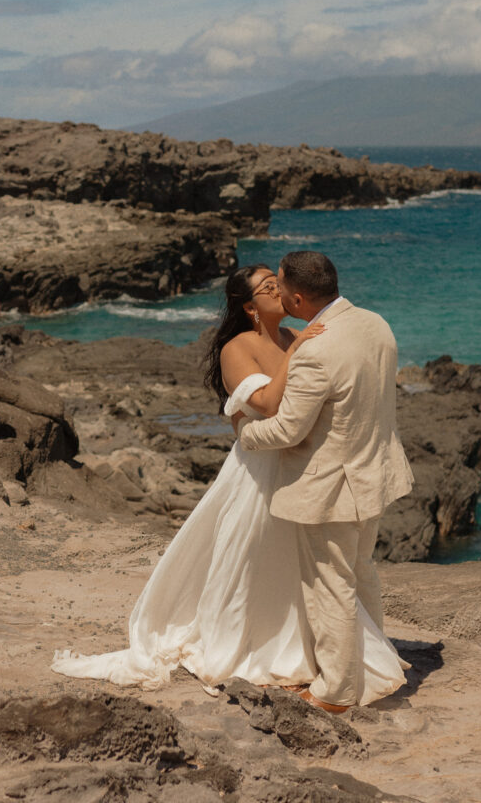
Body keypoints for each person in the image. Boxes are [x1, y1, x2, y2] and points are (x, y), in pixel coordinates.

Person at [52, 263, 408, 702]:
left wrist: (301, 350)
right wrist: (297, 357)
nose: (279, 291)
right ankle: (266, 647)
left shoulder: (297, 337)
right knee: (259, 558)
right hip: (261, 469)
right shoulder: (239, 348)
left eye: (279, 284)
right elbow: (267, 402)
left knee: (314, 572)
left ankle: (320, 656)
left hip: (302, 469)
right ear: (249, 307)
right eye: (268, 287)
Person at [235, 251, 414, 713]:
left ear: (297, 298)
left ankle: (335, 692)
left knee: (330, 584)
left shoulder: (316, 350)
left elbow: (288, 430)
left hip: (332, 486)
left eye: (279, 285)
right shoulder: (376, 324)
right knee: (361, 573)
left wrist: (243, 433)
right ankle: (376, 663)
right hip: (374, 472)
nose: (275, 292)